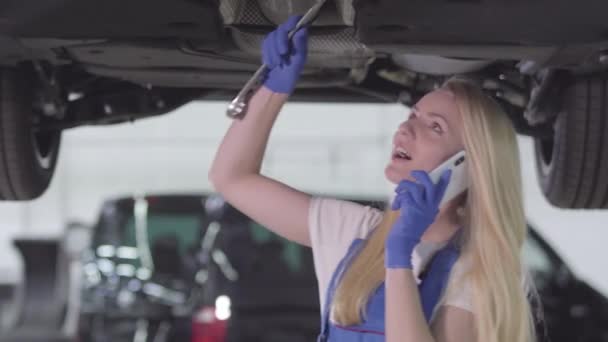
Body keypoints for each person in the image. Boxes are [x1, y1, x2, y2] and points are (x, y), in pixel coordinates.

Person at [209, 16, 537, 342]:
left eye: (434, 127)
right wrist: (272, 89)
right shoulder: (358, 232)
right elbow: (232, 178)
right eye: (413, 115)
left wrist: (399, 259)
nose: (405, 130)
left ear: (468, 166)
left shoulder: (479, 273)